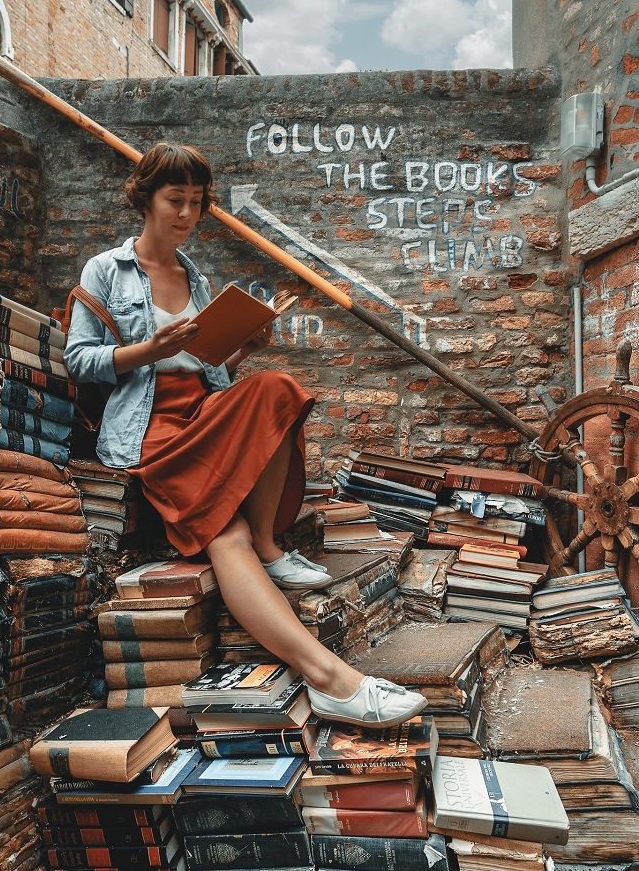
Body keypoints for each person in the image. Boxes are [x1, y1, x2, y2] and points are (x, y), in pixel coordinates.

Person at [64, 141, 427, 727]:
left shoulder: (195, 277)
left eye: (196, 203)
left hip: (201, 414)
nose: (185, 215)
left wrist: (239, 352)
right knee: (221, 536)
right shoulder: (107, 269)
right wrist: (146, 350)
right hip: (149, 427)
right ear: (146, 198)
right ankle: (333, 680)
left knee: (276, 387)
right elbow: (80, 360)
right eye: (174, 200)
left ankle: (269, 543)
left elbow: (209, 373)